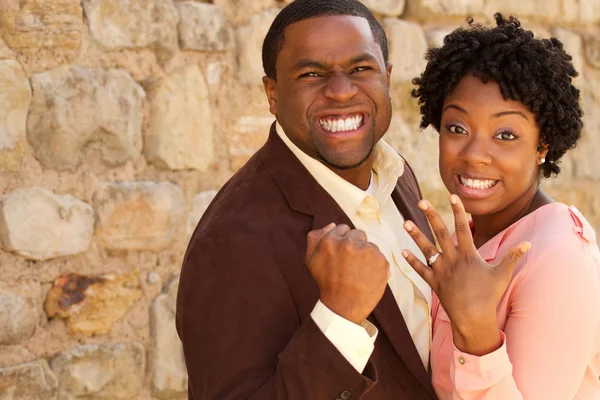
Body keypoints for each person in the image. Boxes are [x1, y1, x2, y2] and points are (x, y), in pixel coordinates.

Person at [176, 0, 439, 398]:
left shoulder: (396, 174)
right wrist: (339, 317)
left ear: (386, 77)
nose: (340, 91)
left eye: (360, 69)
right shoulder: (233, 240)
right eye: (311, 74)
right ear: (272, 93)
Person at [400, 14, 600, 399]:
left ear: (543, 146)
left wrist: (477, 332)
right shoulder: (473, 239)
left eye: (505, 134)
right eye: (457, 128)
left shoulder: (558, 256)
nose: (475, 155)